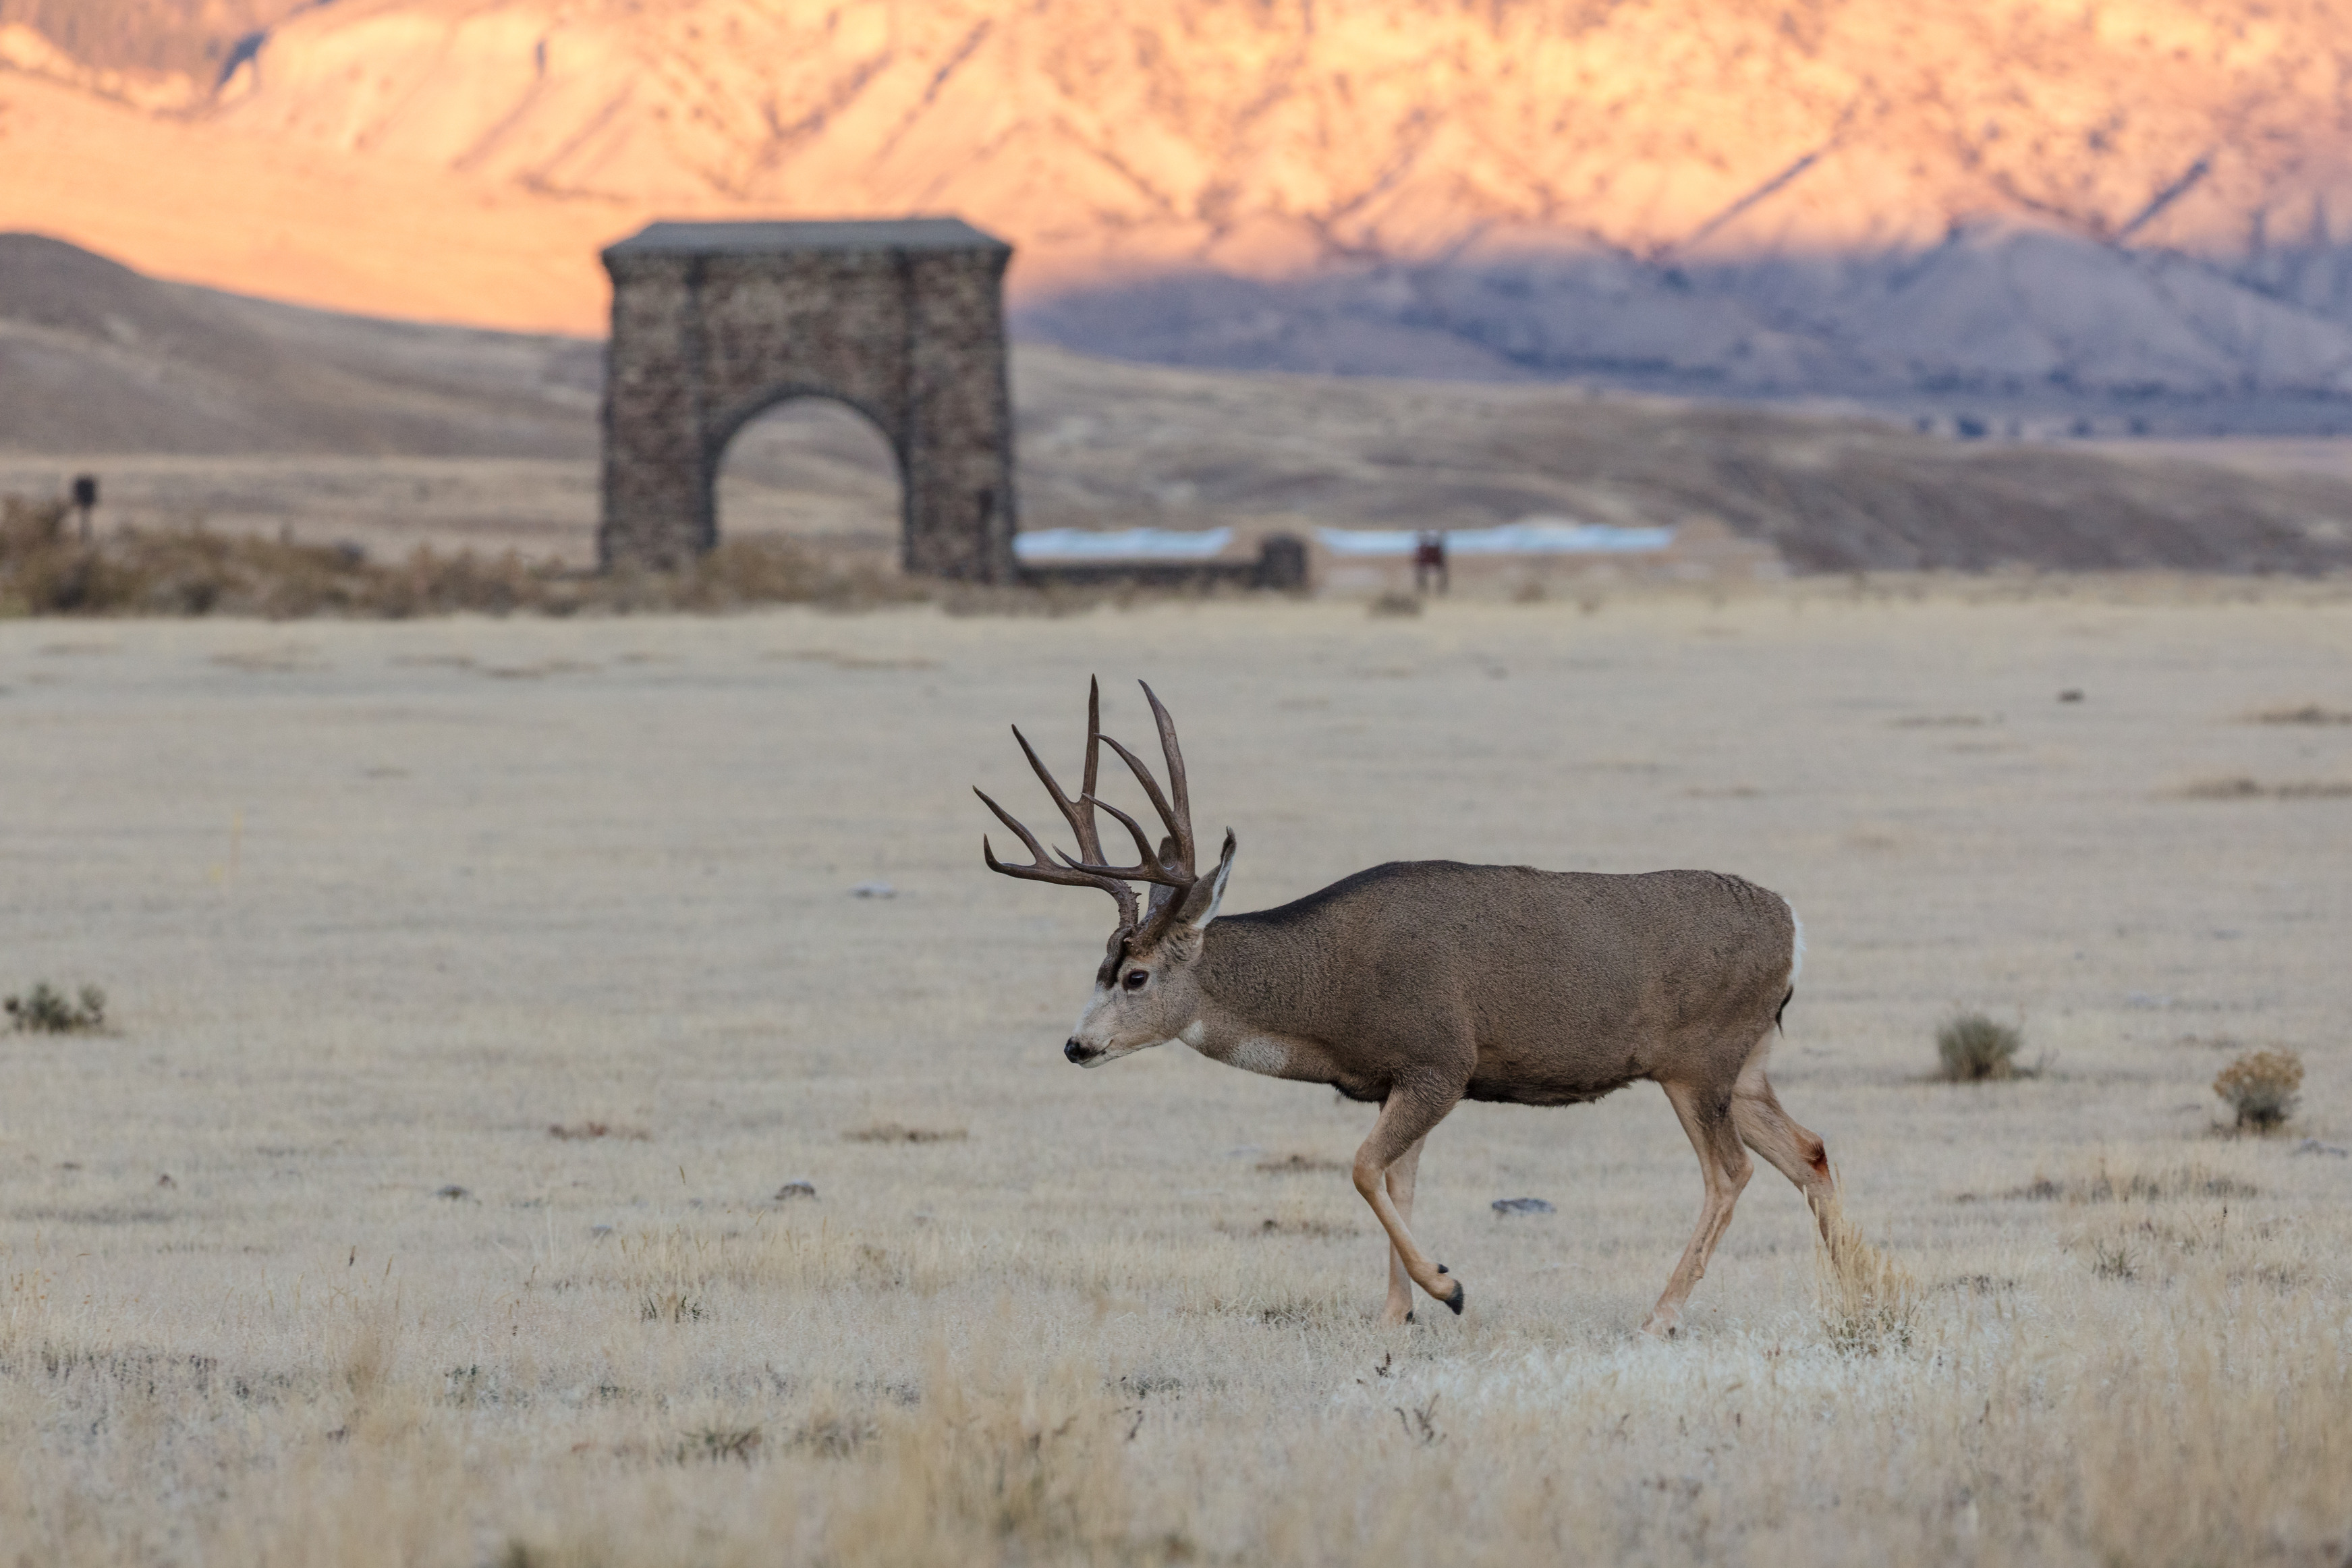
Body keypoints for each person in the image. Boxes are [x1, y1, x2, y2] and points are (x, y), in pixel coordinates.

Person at [1412, 529, 1449, 593]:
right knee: (1421, 574)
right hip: (1425, 561)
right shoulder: (1423, 547)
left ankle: (1441, 590)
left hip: (1434, 559)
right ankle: (1422, 590)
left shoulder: (1434, 547)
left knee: (1442, 575)